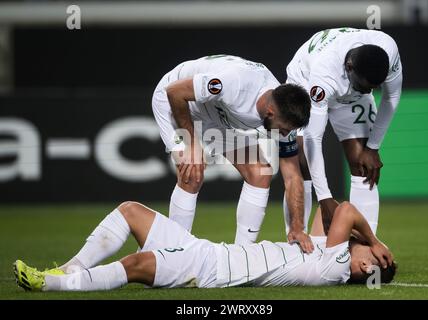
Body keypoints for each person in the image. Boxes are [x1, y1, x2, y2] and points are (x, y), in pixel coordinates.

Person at [13, 166, 396, 292]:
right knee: (130, 210)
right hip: (207, 249)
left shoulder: (337, 267)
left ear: (366, 267)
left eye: (369, 253)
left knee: (136, 264)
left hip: (212, 270)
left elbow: (345, 212)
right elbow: (331, 213)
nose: (361, 243)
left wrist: (374, 240)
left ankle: (51, 284)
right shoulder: (331, 251)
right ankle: (71, 268)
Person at [152, 54, 313, 250]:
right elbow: (175, 92)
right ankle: (173, 251)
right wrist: (192, 144)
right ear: (270, 113)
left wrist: (297, 227)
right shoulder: (234, 83)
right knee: (192, 171)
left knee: (260, 173)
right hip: (176, 102)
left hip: (215, 115)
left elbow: (292, 176)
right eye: (285, 130)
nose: (285, 135)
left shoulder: (282, 112)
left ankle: (241, 254)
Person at [285, 28, 403, 234]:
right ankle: (297, 243)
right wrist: (325, 198)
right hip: (304, 82)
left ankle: (364, 247)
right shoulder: (324, 74)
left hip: (350, 95)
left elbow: (391, 98)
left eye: (375, 87)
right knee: (301, 161)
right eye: (366, 86)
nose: (370, 92)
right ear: (349, 67)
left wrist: (373, 147)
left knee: (364, 164)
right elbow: (314, 138)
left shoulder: (387, 50)